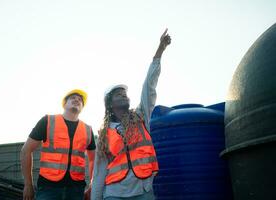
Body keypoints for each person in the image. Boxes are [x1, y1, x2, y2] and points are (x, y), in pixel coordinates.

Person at [91, 29, 171, 200]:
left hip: (143, 191)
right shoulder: (104, 134)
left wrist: (160, 50)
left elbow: (149, 86)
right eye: (117, 94)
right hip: (113, 194)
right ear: (109, 104)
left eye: (124, 93)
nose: (123, 95)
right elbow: (98, 174)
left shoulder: (141, 117)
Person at [20, 89, 96, 200]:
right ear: (64, 103)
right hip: (48, 188)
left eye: (80, 100)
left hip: (76, 190)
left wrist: (92, 184)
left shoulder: (87, 130)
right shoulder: (48, 121)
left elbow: (93, 160)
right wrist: (28, 185)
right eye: (73, 98)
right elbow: (25, 151)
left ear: (82, 108)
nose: (77, 100)